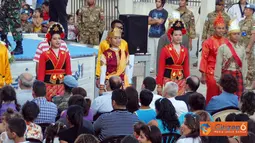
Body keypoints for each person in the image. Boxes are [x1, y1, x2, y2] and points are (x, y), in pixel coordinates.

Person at [199, 12, 229, 104]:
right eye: (219, 28)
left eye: (222, 28)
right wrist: (203, 75)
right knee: (212, 92)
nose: (220, 30)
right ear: (214, 29)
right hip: (211, 71)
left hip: (224, 71)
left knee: (224, 93)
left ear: (225, 30)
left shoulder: (227, 42)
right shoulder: (208, 42)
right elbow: (204, 58)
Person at [37, 23, 72, 101]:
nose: (57, 41)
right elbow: (41, 74)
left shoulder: (66, 54)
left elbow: (69, 73)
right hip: (48, 87)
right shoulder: (44, 54)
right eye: (54, 39)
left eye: (59, 38)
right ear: (50, 40)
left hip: (62, 87)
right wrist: (40, 89)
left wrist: (69, 87)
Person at [156, 19, 190, 96]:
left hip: (181, 81)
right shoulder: (165, 50)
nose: (178, 37)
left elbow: (186, 68)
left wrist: (188, 82)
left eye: (180, 35)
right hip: (168, 79)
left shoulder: (184, 50)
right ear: (171, 36)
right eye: (176, 35)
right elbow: (161, 68)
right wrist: (159, 85)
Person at [215, 19, 247, 97]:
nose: (236, 36)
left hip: (238, 74)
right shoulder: (223, 48)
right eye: (234, 34)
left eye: (238, 34)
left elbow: (244, 65)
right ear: (229, 35)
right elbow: (218, 64)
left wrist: (244, 80)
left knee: (238, 98)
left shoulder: (242, 48)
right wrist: (218, 79)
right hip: (226, 75)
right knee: (225, 96)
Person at [98, 28, 131, 94]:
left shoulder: (125, 53)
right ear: (110, 39)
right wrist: (101, 86)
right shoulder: (105, 54)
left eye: (119, 38)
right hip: (110, 84)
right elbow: (103, 71)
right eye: (115, 38)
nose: (118, 40)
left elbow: (127, 71)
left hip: (122, 83)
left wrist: (128, 84)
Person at [96, 20, 129, 84]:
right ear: (112, 29)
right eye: (117, 27)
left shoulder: (125, 43)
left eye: (121, 28)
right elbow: (99, 60)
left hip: (121, 79)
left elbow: (126, 62)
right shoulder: (104, 44)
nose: (119, 30)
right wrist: (98, 76)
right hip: (108, 78)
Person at [148, 0, 168, 72]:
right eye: (156, 1)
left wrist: (153, 20)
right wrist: (156, 20)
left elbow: (161, 22)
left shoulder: (164, 12)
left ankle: (158, 68)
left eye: (159, 2)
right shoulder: (152, 11)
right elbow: (148, 22)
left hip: (160, 35)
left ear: (162, 3)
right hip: (151, 34)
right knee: (151, 52)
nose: (157, 3)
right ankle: (150, 68)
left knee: (158, 52)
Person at [239, 4, 255, 88]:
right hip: (240, 48)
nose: (246, 11)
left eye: (249, 10)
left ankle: (249, 86)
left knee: (249, 67)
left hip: (248, 49)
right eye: (245, 9)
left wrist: (249, 47)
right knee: (242, 66)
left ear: (252, 12)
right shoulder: (241, 22)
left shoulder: (253, 22)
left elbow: (253, 35)